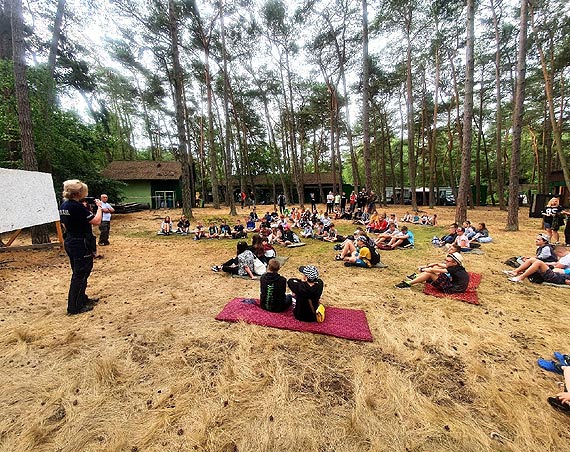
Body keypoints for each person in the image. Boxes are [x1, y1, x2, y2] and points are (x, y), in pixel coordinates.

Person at [59, 179, 102, 315]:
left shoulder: (64, 205)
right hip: (80, 242)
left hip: (71, 240)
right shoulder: (76, 206)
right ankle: (74, 307)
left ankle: (82, 299)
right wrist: (99, 207)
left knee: (80, 271)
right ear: (78, 192)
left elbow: (64, 224)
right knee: (81, 273)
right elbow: (96, 221)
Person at [395, 252, 469, 293]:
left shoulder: (454, 269)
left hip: (454, 289)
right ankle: (415, 278)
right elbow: (439, 265)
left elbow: (433, 271)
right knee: (433, 270)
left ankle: (408, 284)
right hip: (455, 285)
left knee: (430, 273)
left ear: (455, 263)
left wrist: (423, 269)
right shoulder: (457, 267)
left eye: (448, 261)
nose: (446, 262)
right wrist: (433, 264)